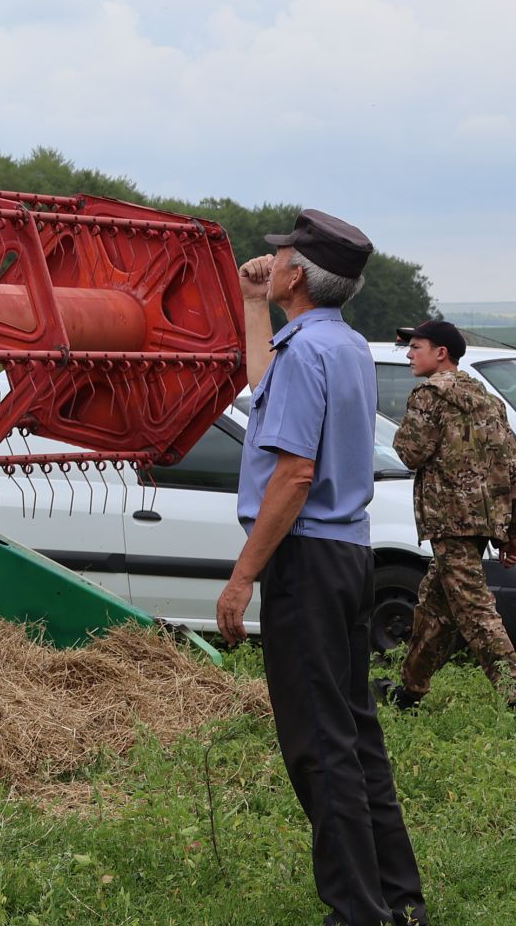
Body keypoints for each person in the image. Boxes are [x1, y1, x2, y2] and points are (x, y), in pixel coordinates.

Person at [219, 210, 426, 926]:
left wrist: (246, 573)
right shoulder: (339, 347)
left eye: (278, 258)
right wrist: (252, 305)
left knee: (317, 747)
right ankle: (399, 898)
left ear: (298, 275)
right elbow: (262, 393)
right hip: (348, 555)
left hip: (304, 559)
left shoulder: (307, 353)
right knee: (355, 732)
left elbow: (293, 474)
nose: (268, 263)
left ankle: (356, 912)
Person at [377, 319, 516, 712]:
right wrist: (510, 531)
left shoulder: (428, 394)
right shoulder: (488, 399)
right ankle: (409, 693)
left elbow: (409, 453)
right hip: (482, 521)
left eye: (416, 347)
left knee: (475, 610)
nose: (408, 355)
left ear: (441, 354)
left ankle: (514, 692)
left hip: (448, 521)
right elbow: (510, 466)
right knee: (434, 608)